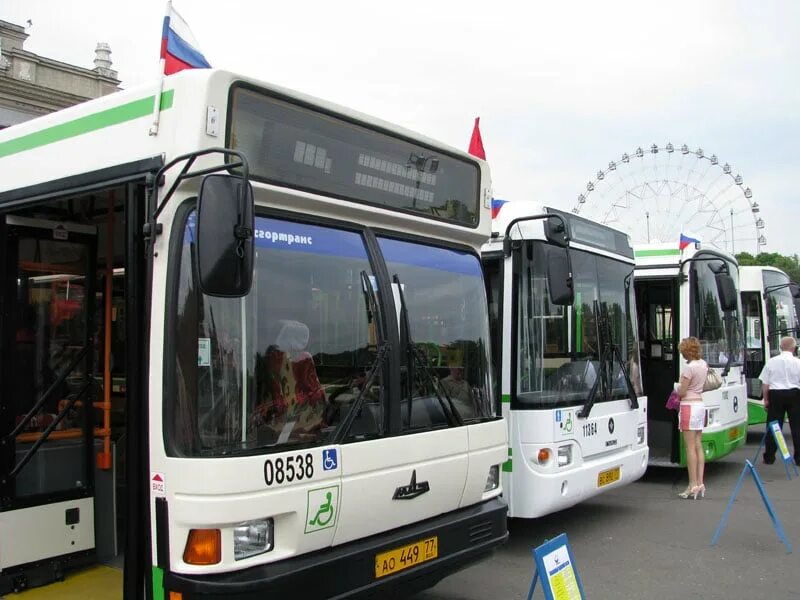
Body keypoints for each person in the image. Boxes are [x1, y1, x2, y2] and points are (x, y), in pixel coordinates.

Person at [252, 320, 326, 439]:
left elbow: (314, 392)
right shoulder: (280, 359)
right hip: (288, 421)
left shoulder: (299, 359)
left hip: (295, 418)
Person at [675, 336, 708, 499]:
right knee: (698, 445)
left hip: (689, 405)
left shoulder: (689, 368)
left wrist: (677, 387)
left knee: (689, 448)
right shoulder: (703, 364)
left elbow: (682, 391)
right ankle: (700, 482)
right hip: (700, 405)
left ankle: (692, 484)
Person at [759, 336, 800, 465]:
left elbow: (765, 384)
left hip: (776, 394)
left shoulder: (771, 362)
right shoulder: (798, 362)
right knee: (797, 426)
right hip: (795, 394)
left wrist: (766, 400)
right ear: (793, 348)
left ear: (780, 347)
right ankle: (798, 458)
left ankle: (769, 456)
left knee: (774, 425)